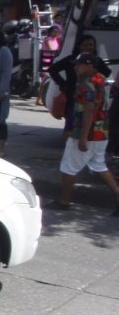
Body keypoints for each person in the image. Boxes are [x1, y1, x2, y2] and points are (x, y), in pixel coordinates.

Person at [48, 54, 119, 216]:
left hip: (86, 132)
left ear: (89, 65)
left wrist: (83, 137)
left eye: (78, 65)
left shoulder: (86, 84)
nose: (75, 68)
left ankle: (64, 201)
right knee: (98, 165)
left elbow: (88, 110)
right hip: (101, 133)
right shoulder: (100, 79)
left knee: (69, 167)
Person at [48, 34, 111, 140]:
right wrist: (63, 84)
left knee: (92, 128)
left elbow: (107, 73)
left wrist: (95, 78)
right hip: (73, 99)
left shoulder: (96, 61)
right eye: (85, 45)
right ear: (79, 46)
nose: (88, 47)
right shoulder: (70, 60)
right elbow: (52, 69)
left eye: (91, 45)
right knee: (70, 127)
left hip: (92, 103)